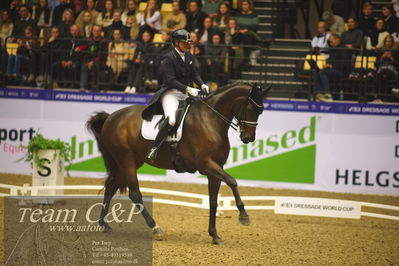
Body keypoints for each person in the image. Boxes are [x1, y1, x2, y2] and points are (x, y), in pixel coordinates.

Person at [142, 29, 209, 161]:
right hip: (171, 94)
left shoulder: (188, 56)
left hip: (186, 93)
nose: (188, 45)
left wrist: (201, 84)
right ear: (176, 42)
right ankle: (154, 148)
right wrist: (188, 89)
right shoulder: (168, 58)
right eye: (185, 42)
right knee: (172, 120)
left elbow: (194, 73)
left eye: (188, 42)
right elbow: (170, 80)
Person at [313, 33, 352, 102]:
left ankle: (327, 94)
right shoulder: (333, 49)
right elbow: (331, 61)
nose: (330, 43)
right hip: (333, 70)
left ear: (337, 40)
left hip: (342, 71)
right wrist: (327, 64)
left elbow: (346, 63)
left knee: (323, 72)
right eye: (330, 42)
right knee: (318, 71)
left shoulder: (344, 49)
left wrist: (332, 66)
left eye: (331, 41)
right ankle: (319, 93)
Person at [80, 24, 108, 91]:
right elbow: (86, 51)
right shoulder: (89, 40)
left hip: (100, 60)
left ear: (100, 32)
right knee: (84, 66)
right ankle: (83, 86)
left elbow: (103, 54)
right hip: (89, 60)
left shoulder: (104, 41)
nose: (96, 32)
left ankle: (95, 87)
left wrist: (93, 61)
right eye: (95, 31)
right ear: (92, 31)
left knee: (96, 65)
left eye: (98, 31)